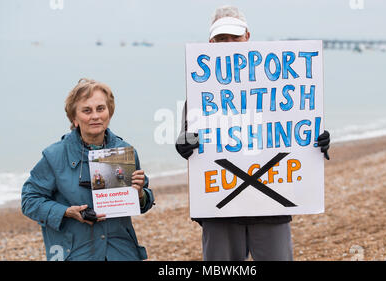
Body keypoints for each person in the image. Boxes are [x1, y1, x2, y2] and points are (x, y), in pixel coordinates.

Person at [176, 5, 331, 261]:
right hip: (220, 208)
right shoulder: (200, 93)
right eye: (221, 39)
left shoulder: (281, 86)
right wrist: (183, 145)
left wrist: (319, 141)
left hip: (272, 208)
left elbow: (295, 128)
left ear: (247, 36)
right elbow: (191, 146)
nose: (228, 44)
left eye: (234, 37)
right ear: (211, 42)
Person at [21, 78, 154, 261]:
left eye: (100, 108)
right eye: (86, 110)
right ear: (74, 118)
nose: (95, 116)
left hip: (122, 252)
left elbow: (144, 200)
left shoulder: (126, 151)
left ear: (110, 112)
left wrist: (140, 195)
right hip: (75, 253)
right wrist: (67, 212)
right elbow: (29, 200)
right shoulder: (55, 155)